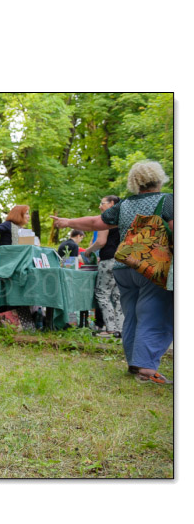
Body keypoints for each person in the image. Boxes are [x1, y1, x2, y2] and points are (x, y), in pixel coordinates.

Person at [51, 160, 173, 385]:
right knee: (155, 315)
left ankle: (135, 363)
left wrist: (68, 221)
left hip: (124, 267)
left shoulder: (124, 205)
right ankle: (147, 369)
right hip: (153, 268)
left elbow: (95, 222)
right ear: (159, 178)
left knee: (132, 316)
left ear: (135, 182)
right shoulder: (167, 201)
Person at [80, 195, 124, 337]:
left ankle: (110, 328)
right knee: (117, 295)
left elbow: (100, 241)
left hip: (108, 260)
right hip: (122, 261)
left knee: (102, 294)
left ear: (112, 203)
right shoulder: (124, 218)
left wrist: (88, 251)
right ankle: (120, 329)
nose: (100, 206)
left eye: (102, 203)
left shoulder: (106, 219)